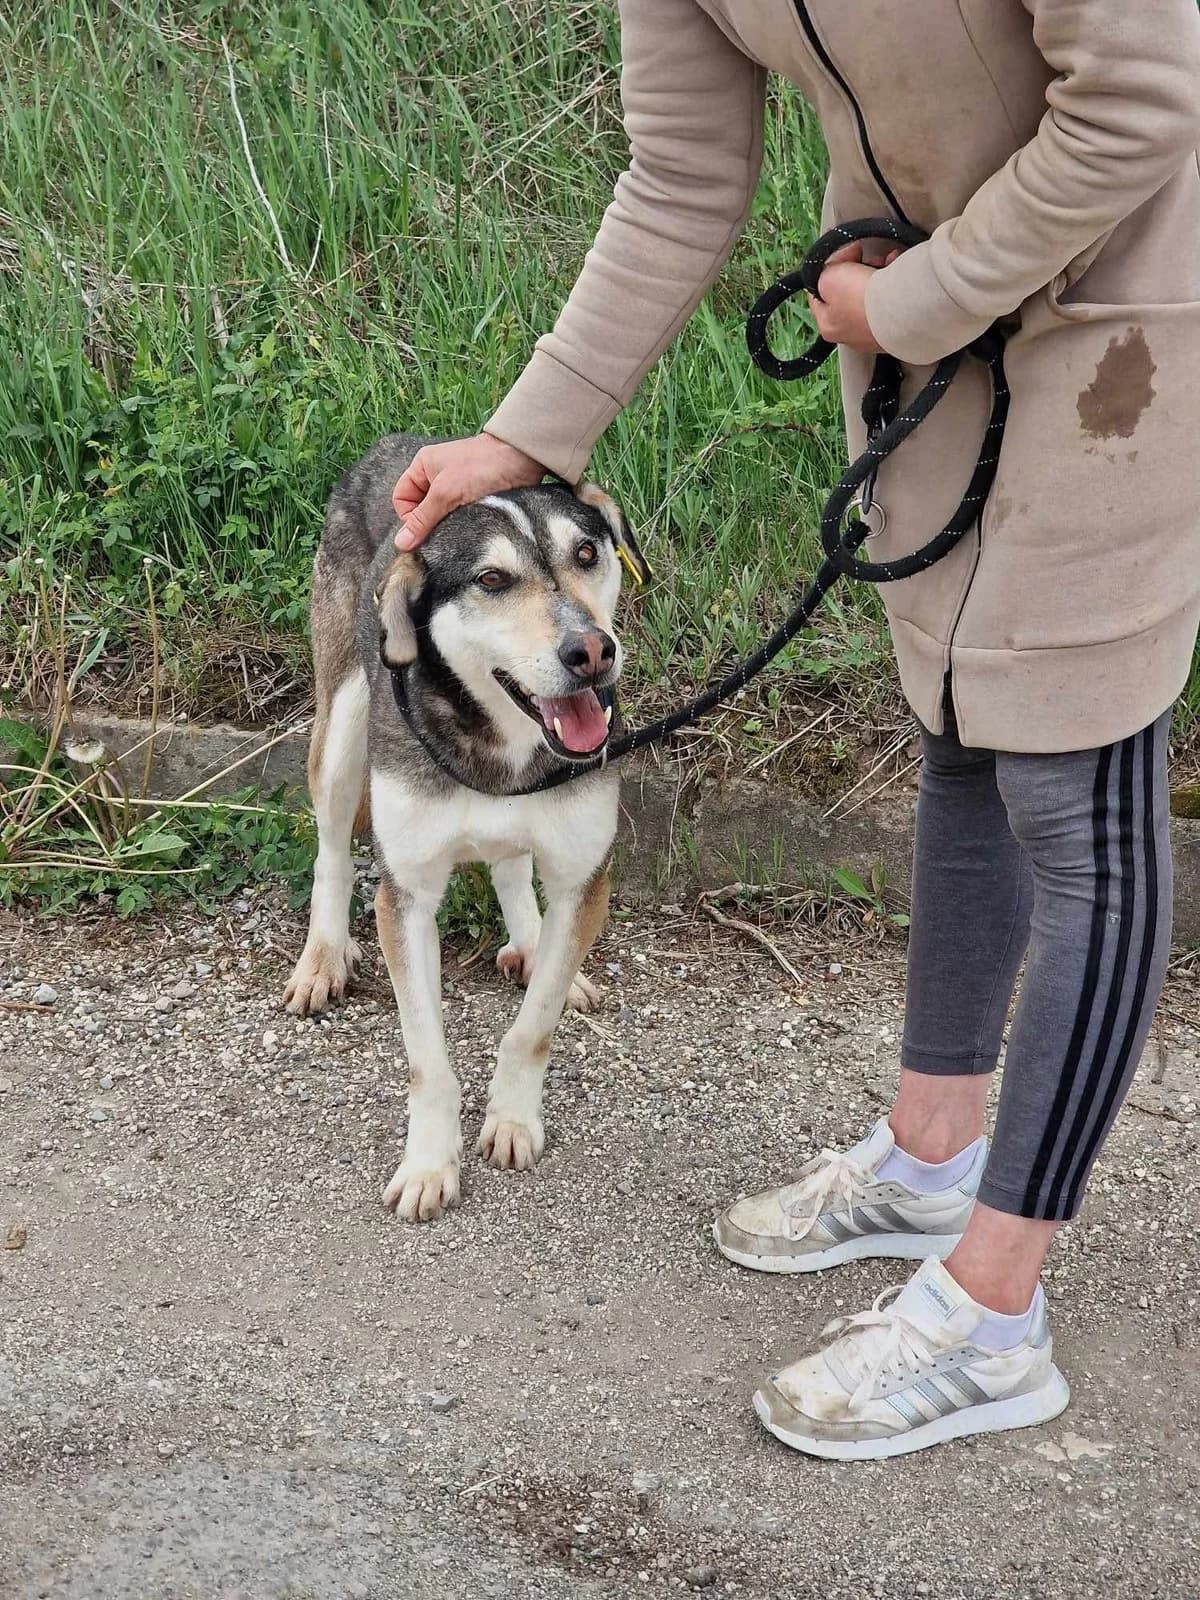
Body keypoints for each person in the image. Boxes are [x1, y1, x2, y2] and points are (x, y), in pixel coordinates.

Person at [390, 1, 1200, 1460]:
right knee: (961, 713)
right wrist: (535, 433)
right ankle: (931, 1156)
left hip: (1128, 310)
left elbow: (1144, 98)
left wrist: (913, 304)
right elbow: (684, 168)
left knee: (1081, 786)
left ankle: (995, 1314)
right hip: (923, 319)